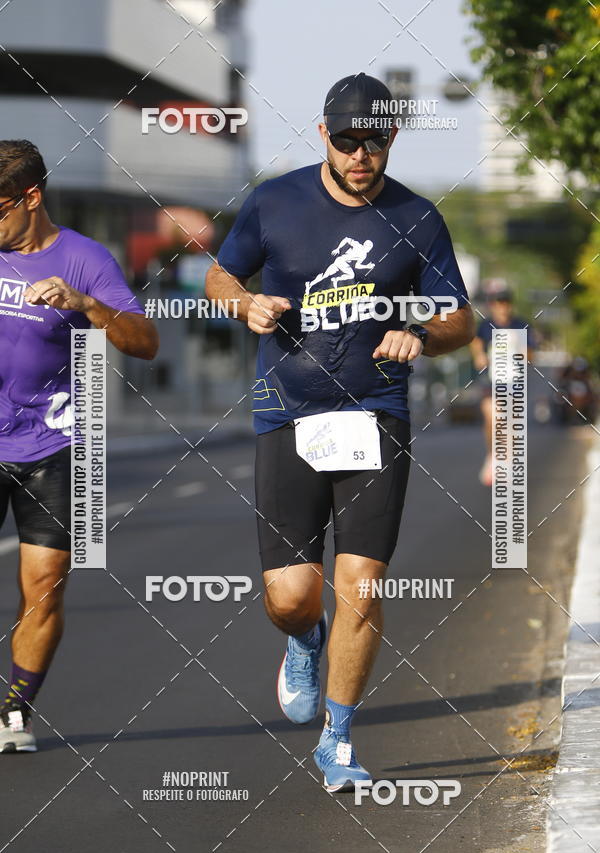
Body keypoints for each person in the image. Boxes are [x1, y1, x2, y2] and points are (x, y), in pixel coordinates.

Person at [205, 73, 474, 791]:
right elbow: (219, 278)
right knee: (292, 595)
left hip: (376, 418)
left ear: (392, 139)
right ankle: (304, 638)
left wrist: (421, 332)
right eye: (348, 140)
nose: (362, 154)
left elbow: (459, 318)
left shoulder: (418, 218)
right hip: (288, 413)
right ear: (323, 134)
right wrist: (245, 303)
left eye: (376, 141)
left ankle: (339, 737)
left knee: (360, 583)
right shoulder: (275, 201)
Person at [0, 140, 158, 752]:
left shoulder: (87, 259)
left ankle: (16, 710)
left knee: (43, 586)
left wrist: (85, 304)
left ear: (31, 197)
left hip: (59, 445)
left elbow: (145, 342)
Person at [469, 278, 535, 486]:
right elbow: (476, 343)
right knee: (493, 418)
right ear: (493, 304)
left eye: (505, 301)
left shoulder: (521, 325)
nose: (502, 306)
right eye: (498, 302)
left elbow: (531, 353)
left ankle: (505, 462)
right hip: (491, 380)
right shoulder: (486, 325)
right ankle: (493, 456)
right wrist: (479, 356)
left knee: (509, 425)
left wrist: (519, 353)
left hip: (513, 381)